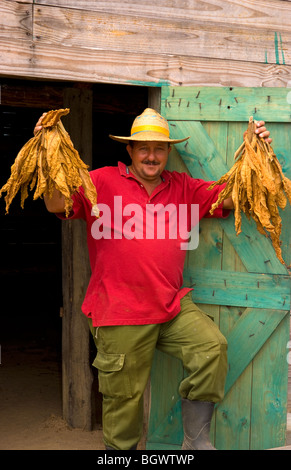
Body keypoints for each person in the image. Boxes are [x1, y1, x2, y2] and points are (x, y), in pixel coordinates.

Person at [34, 108, 271, 451]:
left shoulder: (183, 188)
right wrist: (45, 147)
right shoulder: (100, 181)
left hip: (171, 305)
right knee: (123, 399)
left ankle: (195, 440)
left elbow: (235, 196)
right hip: (119, 310)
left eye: (159, 148)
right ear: (129, 151)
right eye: (143, 147)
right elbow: (55, 201)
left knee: (211, 349)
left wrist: (257, 151)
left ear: (168, 153)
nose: (151, 155)